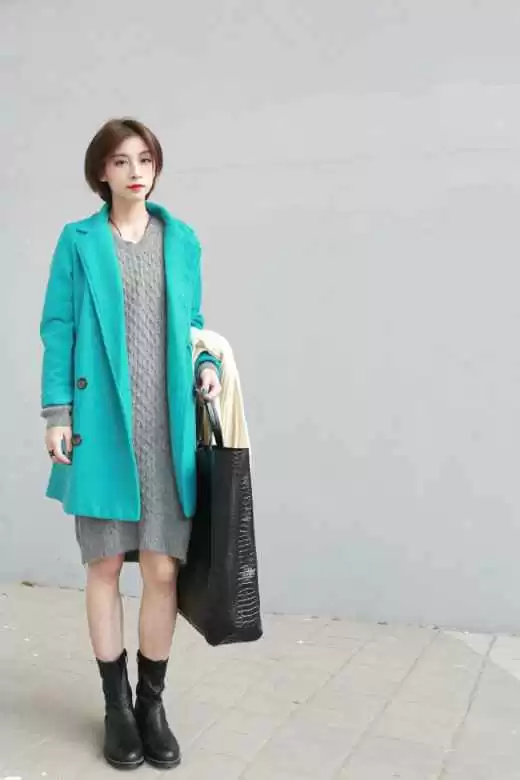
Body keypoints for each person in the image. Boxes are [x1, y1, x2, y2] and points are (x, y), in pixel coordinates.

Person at [39, 118, 222, 771]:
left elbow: (194, 324)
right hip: (102, 428)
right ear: (102, 172)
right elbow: (57, 327)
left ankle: (152, 705)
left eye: (144, 159)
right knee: (106, 566)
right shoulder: (79, 241)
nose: (135, 171)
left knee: (164, 570)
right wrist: (56, 413)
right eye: (121, 161)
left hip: (167, 430)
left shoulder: (182, 240)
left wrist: (208, 365)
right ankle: (116, 709)